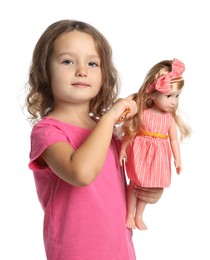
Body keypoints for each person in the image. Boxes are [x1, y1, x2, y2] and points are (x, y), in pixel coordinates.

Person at [24, 20, 163, 260]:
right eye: (68, 61)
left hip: (121, 251)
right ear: (45, 72)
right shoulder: (47, 131)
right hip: (75, 253)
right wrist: (110, 117)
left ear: (103, 75)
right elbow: (81, 173)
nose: (82, 70)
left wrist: (148, 190)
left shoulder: (108, 131)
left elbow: (122, 183)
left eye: (92, 63)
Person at [119, 59, 191, 230]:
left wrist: (178, 159)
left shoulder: (169, 118)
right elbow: (131, 131)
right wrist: (122, 149)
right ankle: (130, 214)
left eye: (177, 96)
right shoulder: (143, 113)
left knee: (149, 186)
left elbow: (173, 139)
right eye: (168, 96)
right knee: (135, 182)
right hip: (140, 151)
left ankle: (139, 215)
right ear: (152, 93)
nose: (173, 101)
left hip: (159, 155)